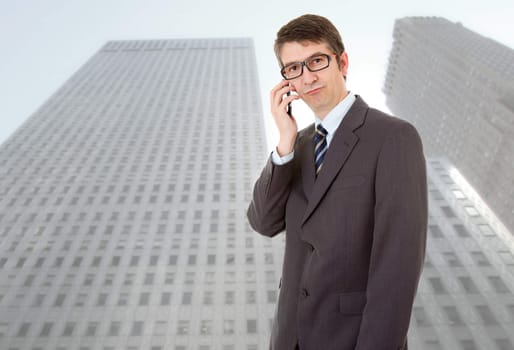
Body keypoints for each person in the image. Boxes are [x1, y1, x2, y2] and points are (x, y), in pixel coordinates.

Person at [247, 14, 427, 350]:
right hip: (290, 339)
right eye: (293, 68)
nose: (307, 77)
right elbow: (263, 222)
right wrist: (284, 142)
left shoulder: (393, 137)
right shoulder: (296, 146)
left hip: (353, 339)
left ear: (342, 62)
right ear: (287, 81)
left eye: (316, 60)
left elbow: (397, 267)